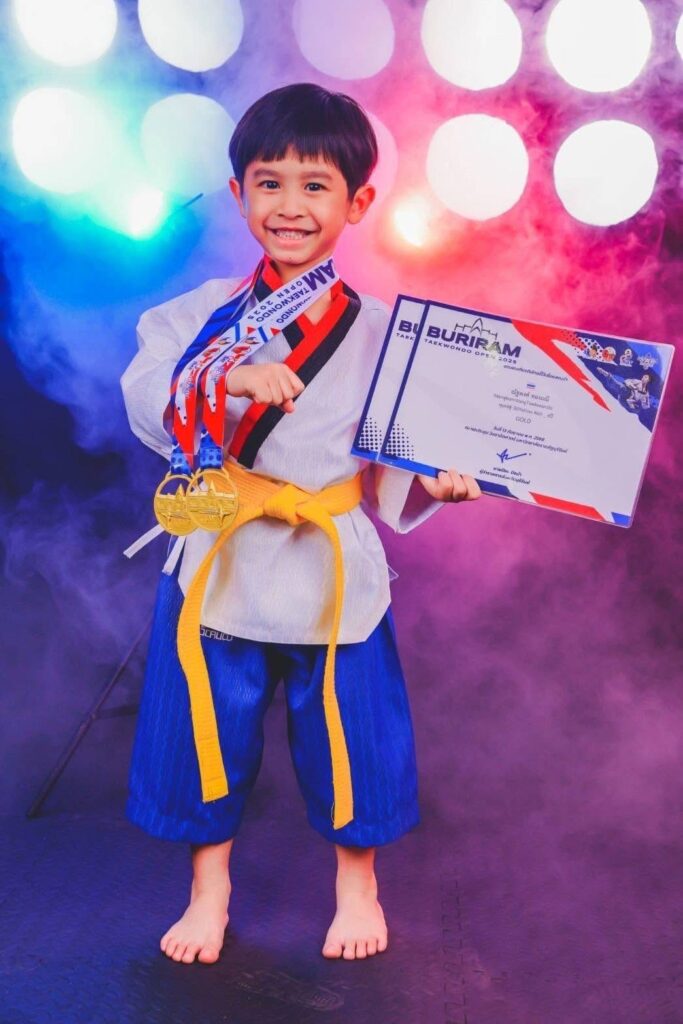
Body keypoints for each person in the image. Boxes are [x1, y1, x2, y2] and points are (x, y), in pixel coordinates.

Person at [120, 82, 481, 966]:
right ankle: (209, 890)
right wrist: (224, 379)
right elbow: (144, 397)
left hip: (330, 561)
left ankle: (357, 886)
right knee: (208, 730)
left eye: (315, 185)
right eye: (269, 183)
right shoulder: (195, 316)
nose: (289, 205)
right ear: (237, 193)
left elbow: (401, 455)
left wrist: (438, 481)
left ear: (357, 202)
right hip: (224, 552)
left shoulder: (383, 332)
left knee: (351, 734)